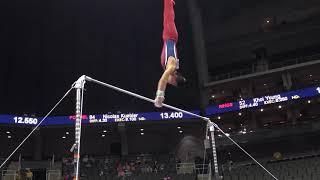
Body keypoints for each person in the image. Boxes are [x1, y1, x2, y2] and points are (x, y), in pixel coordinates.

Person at [154, 0, 186, 107]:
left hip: (168, 37)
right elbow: (163, 79)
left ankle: (170, 3)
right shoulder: (172, 67)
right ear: (175, 76)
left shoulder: (173, 68)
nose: (170, 83)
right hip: (170, 36)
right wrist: (159, 95)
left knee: (168, 15)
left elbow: (165, 79)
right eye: (172, 82)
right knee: (168, 14)